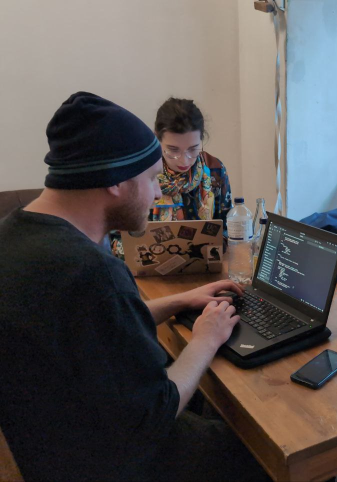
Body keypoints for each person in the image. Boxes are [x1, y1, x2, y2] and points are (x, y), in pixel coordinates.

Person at [0, 92, 268, 482]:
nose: (158, 192)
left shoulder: (14, 233)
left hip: (51, 444)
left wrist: (181, 300)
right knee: (273, 450)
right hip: (113, 460)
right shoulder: (92, 272)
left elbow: (94, 326)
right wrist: (206, 339)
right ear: (115, 182)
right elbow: (156, 413)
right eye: (150, 178)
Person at [152, 97, 232, 224]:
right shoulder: (144, 175)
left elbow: (227, 226)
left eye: (193, 149)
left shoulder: (215, 169)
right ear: (157, 138)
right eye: (173, 150)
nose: (184, 161)